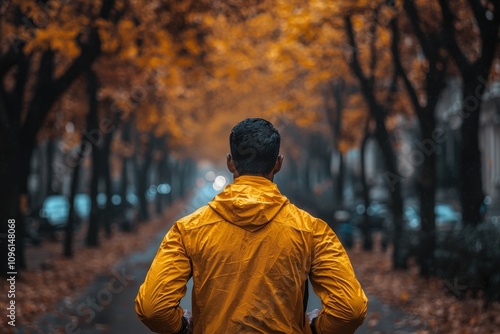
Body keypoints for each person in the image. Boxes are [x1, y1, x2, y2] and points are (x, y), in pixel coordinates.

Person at [135, 118, 368, 334]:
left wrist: (182, 326)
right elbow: (350, 309)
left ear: (230, 162)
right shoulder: (312, 230)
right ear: (278, 164)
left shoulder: (188, 229)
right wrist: (316, 326)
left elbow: (153, 309)